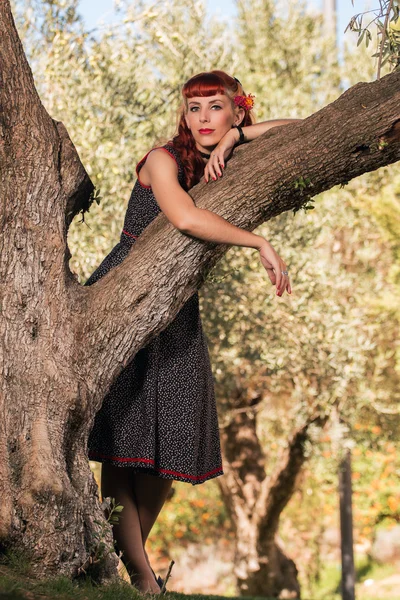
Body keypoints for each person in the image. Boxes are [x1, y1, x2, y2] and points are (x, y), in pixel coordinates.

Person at [85, 70, 297, 594]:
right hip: (126, 301)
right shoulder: (162, 160)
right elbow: (183, 218)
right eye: (194, 109)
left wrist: (237, 137)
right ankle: (143, 581)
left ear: (236, 111)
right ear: (183, 116)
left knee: (167, 449)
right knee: (123, 447)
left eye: (216, 108)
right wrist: (259, 243)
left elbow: (308, 128)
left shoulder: (225, 156)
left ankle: (129, 573)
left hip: (178, 314)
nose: (203, 119)